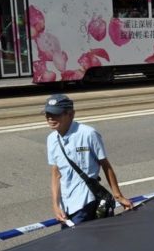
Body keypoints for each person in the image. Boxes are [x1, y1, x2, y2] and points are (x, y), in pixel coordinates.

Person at [45, 94, 132, 227]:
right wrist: (55, 206)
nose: (51, 118)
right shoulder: (51, 139)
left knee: (78, 238)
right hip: (66, 206)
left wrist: (118, 196)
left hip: (86, 201)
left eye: (56, 114)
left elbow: (106, 165)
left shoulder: (88, 134)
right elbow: (56, 174)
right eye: (48, 114)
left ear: (71, 114)